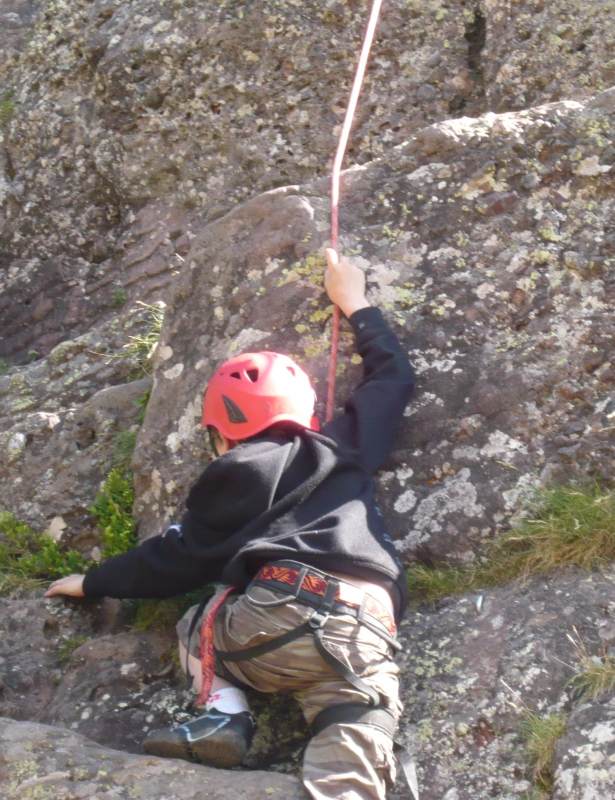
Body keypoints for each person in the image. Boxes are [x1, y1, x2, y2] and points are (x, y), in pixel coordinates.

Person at [45, 247, 416, 800]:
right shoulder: (344, 446)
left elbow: (178, 557)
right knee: (359, 720)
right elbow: (392, 379)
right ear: (307, 413)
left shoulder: (233, 470)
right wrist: (354, 301)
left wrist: (93, 582)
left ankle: (223, 716)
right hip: (364, 629)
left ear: (220, 434)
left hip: (271, 615)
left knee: (199, 619)